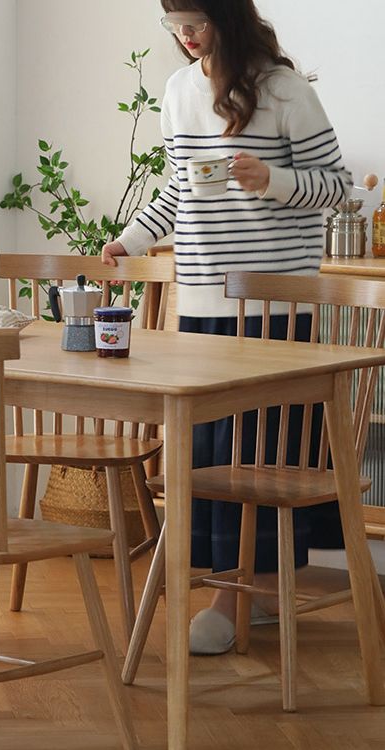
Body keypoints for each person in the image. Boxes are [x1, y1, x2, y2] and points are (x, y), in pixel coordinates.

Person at [103, 0, 351, 654]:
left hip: (274, 310)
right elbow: (178, 190)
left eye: (196, 23)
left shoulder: (284, 90)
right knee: (214, 457)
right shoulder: (178, 91)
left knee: (261, 456)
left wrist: (271, 179)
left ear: (228, 17)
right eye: (174, 25)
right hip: (202, 304)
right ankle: (257, 590)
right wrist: (130, 240)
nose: (185, 38)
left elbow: (337, 186)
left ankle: (234, 596)